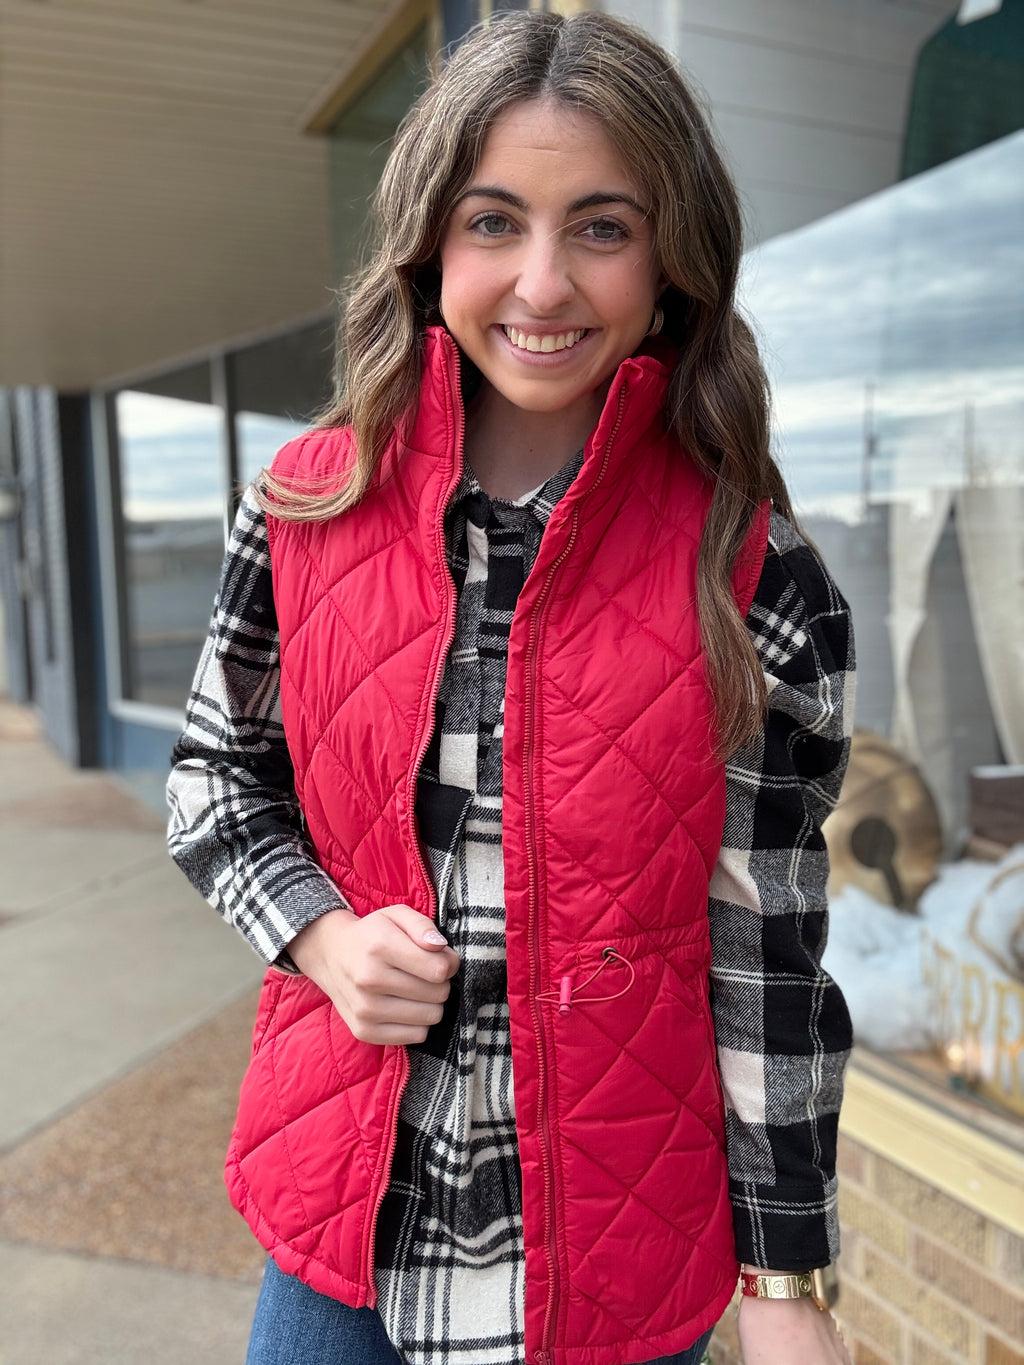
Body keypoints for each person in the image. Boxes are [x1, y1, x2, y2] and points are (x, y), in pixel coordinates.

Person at [167, 12, 855, 1365]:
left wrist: (785, 1278)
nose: (541, 283)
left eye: (602, 227)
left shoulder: (754, 570)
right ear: (433, 244)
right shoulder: (311, 505)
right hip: (346, 1231)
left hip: (620, 1253)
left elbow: (767, 948)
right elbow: (212, 781)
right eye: (495, 222)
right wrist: (321, 937)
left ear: (673, 264)